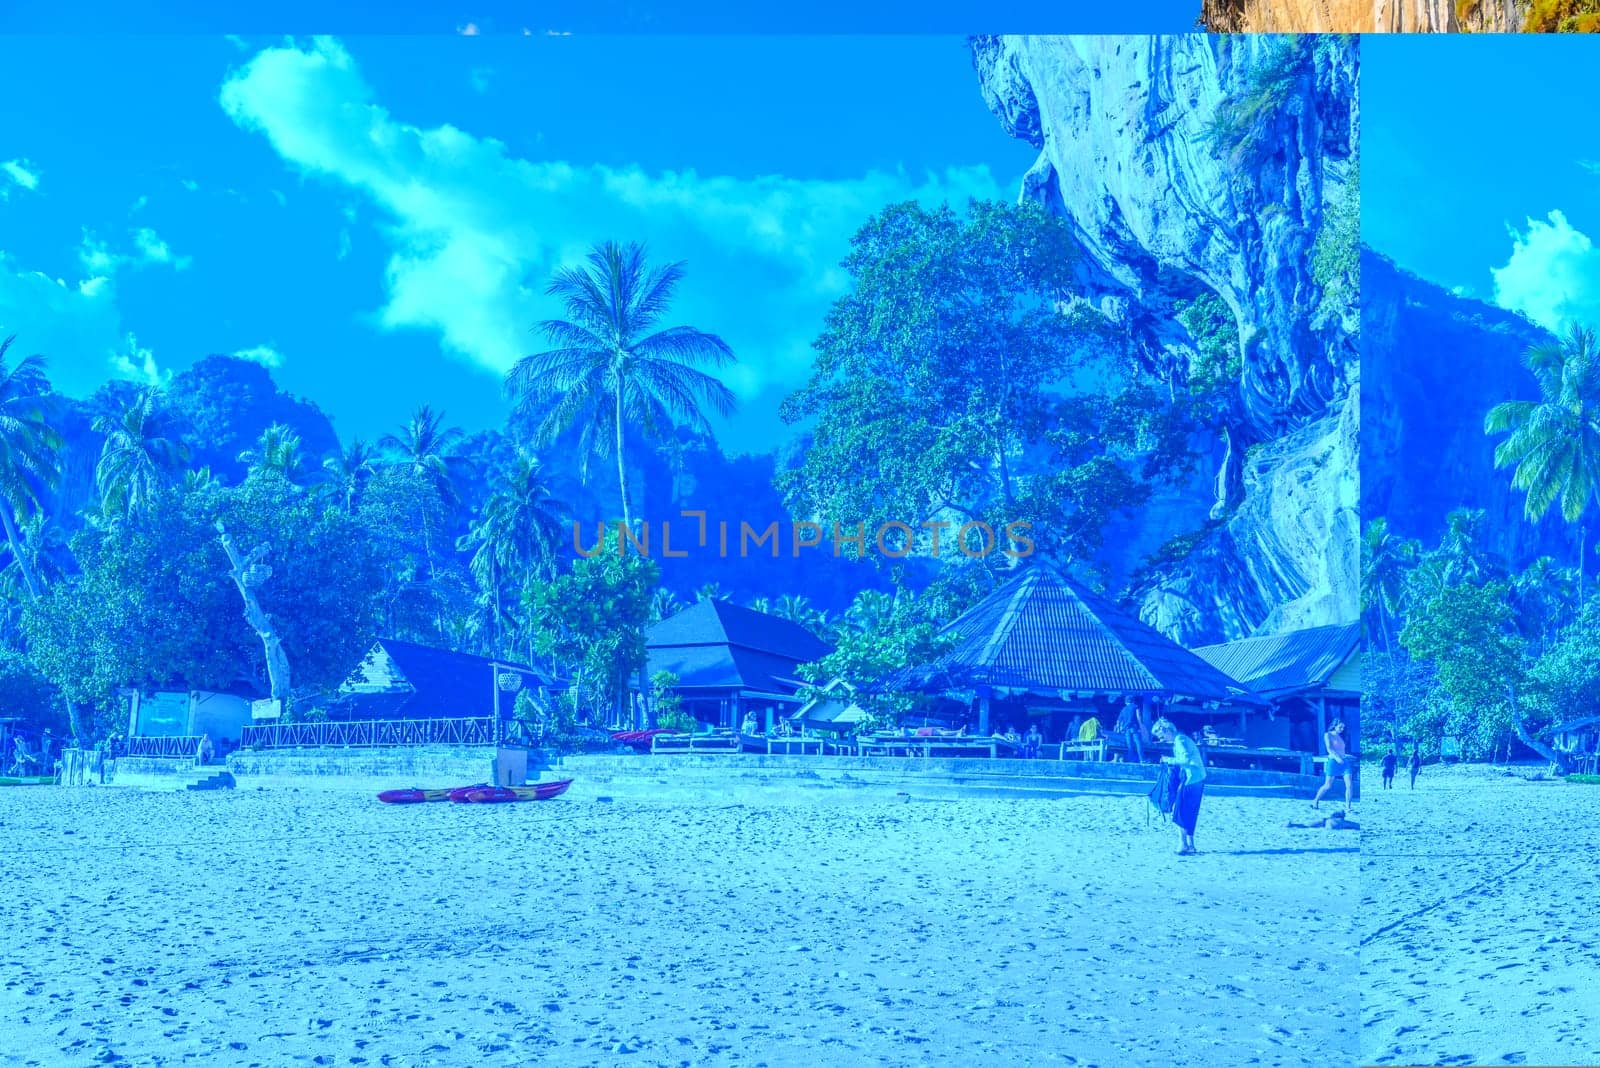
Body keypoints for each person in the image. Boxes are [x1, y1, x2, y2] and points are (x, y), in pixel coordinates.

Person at [1154, 717, 1205, 855]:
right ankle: (1190, 844)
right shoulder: (1183, 739)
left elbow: (1186, 760)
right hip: (1198, 778)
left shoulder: (1180, 740)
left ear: (1166, 731)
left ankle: (1182, 844)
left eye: (1161, 736)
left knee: (1180, 812)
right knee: (1190, 812)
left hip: (1191, 779)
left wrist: (1168, 759)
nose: (1162, 739)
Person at [1312, 720, 1355, 812]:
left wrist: (1344, 757)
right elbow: (1329, 748)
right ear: (1335, 726)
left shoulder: (1341, 736)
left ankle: (1348, 806)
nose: (1342, 729)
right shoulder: (1328, 735)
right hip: (1333, 761)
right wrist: (1337, 758)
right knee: (1327, 785)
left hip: (1344, 762)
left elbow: (1341, 749)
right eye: (1340, 727)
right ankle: (1315, 801)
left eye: (1343, 727)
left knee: (1349, 784)